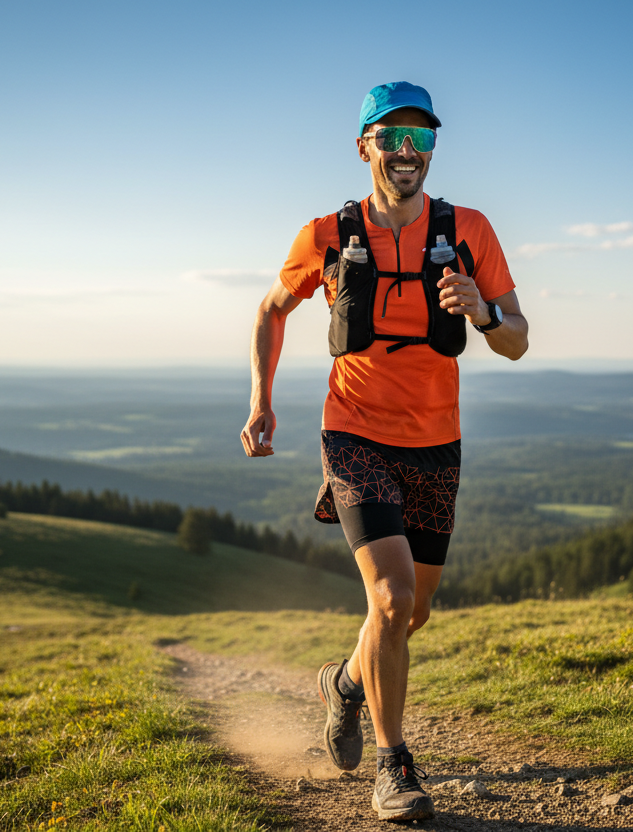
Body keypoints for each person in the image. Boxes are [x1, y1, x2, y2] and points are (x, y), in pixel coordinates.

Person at [240, 81, 528, 822]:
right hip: (354, 432)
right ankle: (393, 766)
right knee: (392, 599)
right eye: (391, 137)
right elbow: (271, 309)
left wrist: (484, 312)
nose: (407, 150)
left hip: (435, 442)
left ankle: (342, 683)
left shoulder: (469, 230)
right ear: (363, 146)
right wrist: (261, 401)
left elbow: (518, 341)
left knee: (412, 612)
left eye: (421, 138)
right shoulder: (325, 235)